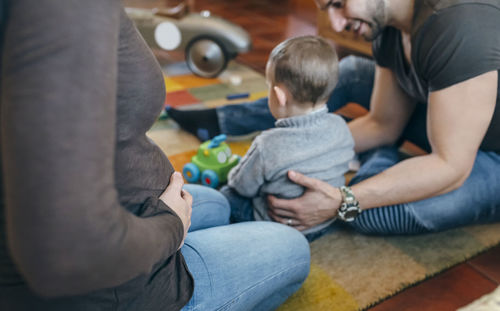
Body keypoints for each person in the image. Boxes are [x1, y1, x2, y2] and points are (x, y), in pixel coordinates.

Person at [0, 1, 310, 310]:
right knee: (295, 249)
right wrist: (171, 227)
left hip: (117, 214)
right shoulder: (65, 11)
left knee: (217, 204)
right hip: (106, 288)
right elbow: (71, 255)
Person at [169, 0, 500, 234]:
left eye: (339, 3)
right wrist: (294, 152)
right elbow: (384, 123)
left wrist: (343, 199)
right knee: (350, 72)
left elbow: (451, 165)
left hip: (484, 155)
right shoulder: (386, 26)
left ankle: (381, 166)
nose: (338, 24)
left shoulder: (458, 24)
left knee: (370, 214)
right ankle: (223, 120)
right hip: (444, 118)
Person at [220, 36, 354, 241]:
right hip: (321, 223)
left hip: (273, 226)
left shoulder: (267, 145)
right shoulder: (341, 127)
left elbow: (241, 186)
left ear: (279, 96)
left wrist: (236, 172)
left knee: (225, 195)